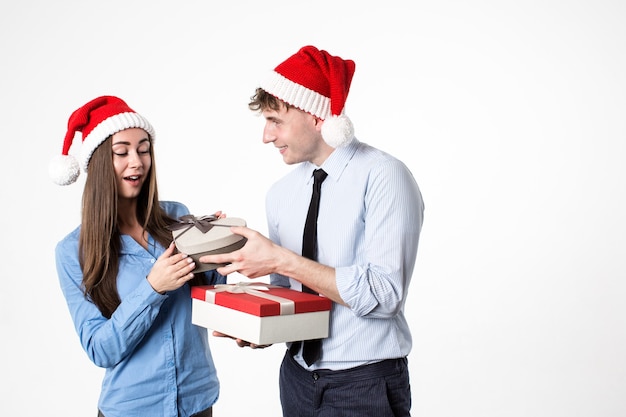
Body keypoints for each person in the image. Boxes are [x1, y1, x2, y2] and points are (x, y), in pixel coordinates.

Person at [199, 45, 425, 417]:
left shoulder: (384, 176)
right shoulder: (281, 194)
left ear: (317, 117)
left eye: (276, 120)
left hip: (363, 384)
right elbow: (289, 295)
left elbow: (385, 294)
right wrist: (259, 328)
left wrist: (282, 259)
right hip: (296, 378)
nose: (266, 136)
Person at [50, 95, 225, 417]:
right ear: (99, 163)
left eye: (144, 150)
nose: (137, 161)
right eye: (122, 152)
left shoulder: (176, 216)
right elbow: (100, 349)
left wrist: (219, 253)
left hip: (198, 401)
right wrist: (152, 288)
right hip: (132, 409)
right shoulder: (73, 252)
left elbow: (205, 293)